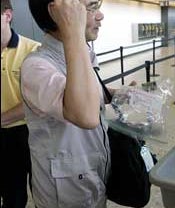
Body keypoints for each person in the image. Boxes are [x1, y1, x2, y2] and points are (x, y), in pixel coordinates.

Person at [21, 0, 110, 207]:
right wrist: (73, 32)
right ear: (58, 13)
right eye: (90, 8)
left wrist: (118, 94)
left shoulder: (82, 53)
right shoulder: (36, 67)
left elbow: (87, 93)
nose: (100, 16)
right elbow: (85, 116)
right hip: (64, 193)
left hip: (92, 174)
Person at [1, 0, 40, 207]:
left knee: (42, 190)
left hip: (30, 132)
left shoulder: (33, 51)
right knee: (12, 195)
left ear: (7, 15)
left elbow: (38, 101)